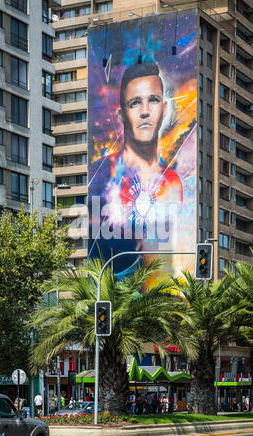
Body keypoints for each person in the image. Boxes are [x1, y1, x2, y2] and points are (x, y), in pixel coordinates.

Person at [89, 62, 183, 276]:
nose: (145, 112)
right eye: (135, 103)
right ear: (122, 115)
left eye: (153, 100)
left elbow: (170, 253)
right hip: (109, 288)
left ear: (164, 108)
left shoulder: (172, 181)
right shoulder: (102, 172)